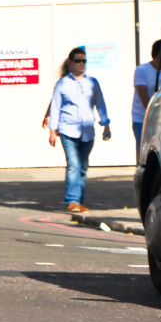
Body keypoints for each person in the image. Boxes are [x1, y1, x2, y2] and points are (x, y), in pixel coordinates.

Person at [48, 47, 111, 213]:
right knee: (74, 164)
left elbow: (100, 103)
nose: (81, 64)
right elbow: (55, 107)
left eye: (84, 61)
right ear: (70, 63)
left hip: (87, 131)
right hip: (68, 130)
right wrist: (52, 131)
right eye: (78, 61)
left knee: (83, 167)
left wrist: (106, 124)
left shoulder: (92, 82)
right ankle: (72, 200)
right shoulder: (62, 83)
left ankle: (79, 201)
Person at [131, 38, 161, 155]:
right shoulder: (142, 70)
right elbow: (143, 95)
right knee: (144, 152)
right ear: (160, 53)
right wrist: (154, 114)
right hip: (142, 119)